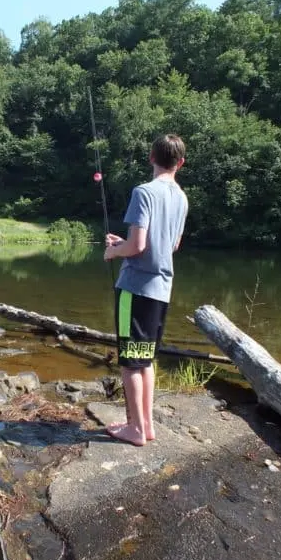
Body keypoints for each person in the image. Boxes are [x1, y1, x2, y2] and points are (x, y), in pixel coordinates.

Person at [104, 134, 188, 446]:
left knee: (129, 362)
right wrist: (123, 244)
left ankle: (135, 430)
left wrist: (115, 250)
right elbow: (173, 245)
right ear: (180, 163)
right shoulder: (181, 198)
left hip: (135, 289)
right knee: (146, 359)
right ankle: (146, 425)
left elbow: (137, 246)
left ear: (152, 157)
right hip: (161, 290)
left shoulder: (144, 192)